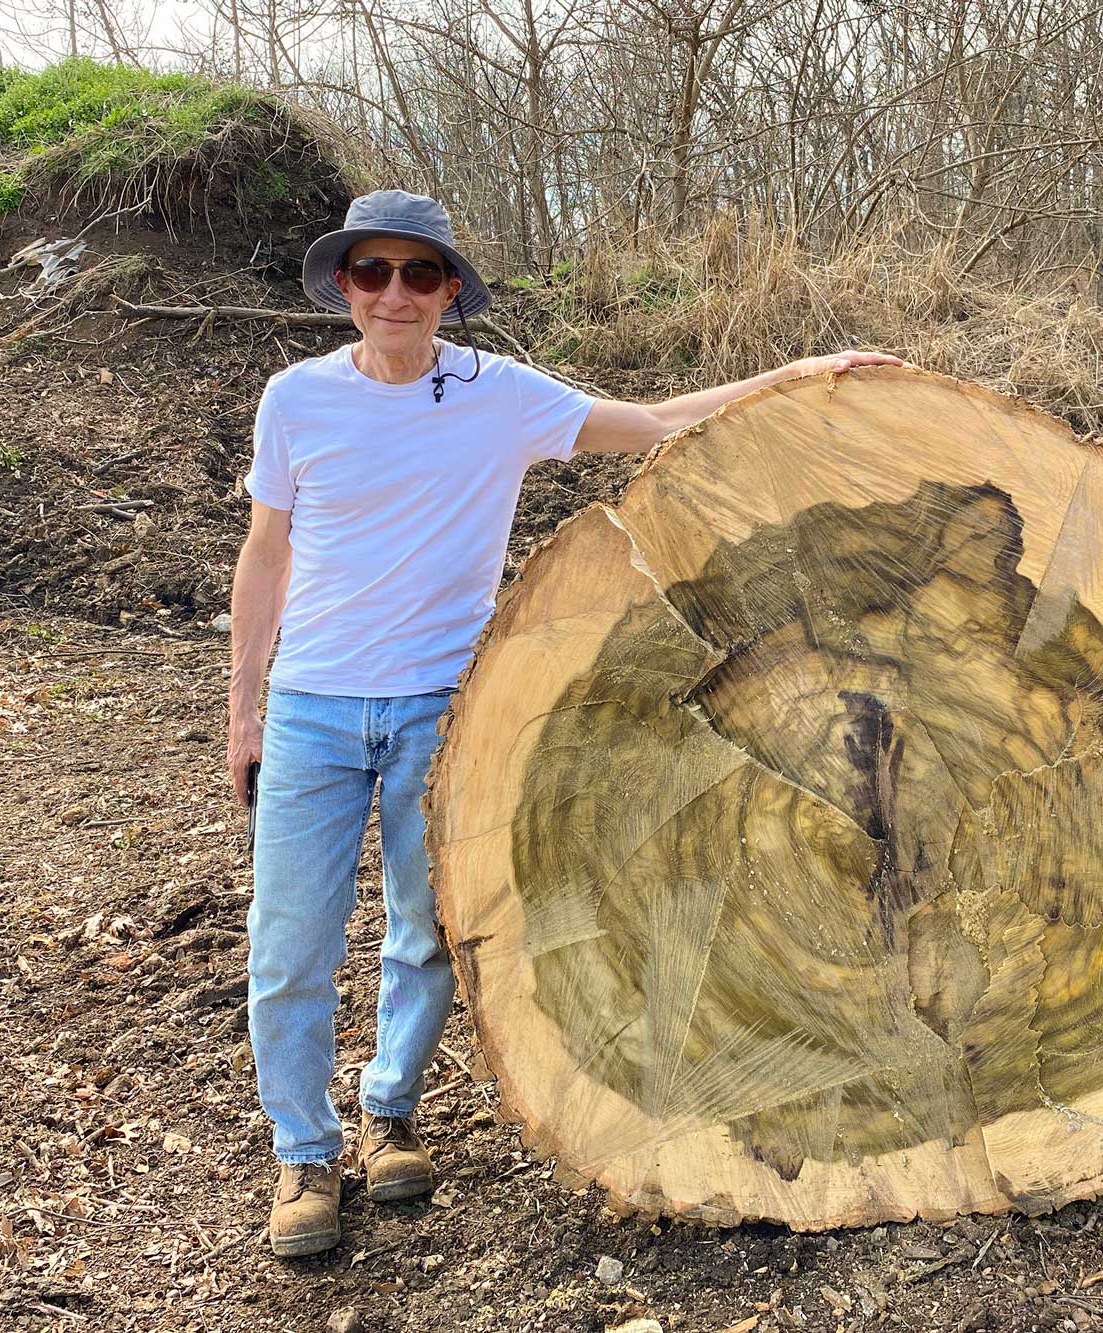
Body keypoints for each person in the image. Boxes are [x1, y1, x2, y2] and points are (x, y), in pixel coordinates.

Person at [227, 188, 899, 1257]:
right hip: (310, 704)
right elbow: (266, 553)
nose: (392, 295)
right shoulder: (295, 400)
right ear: (344, 286)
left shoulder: (497, 395)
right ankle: (303, 1153)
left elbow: (658, 420)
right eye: (371, 273)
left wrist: (797, 377)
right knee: (288, 942)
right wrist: (243, 705)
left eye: (417, 274)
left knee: (430, 928)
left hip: (447, 709)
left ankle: (388, 1109)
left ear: (450, 291)